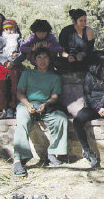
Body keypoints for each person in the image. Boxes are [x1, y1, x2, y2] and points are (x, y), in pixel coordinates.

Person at [13, 47, 68, 177]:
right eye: (39, 58)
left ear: (49, 60)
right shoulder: (27, 74)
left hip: (45, 106)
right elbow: (19, 92)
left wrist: (46, 104)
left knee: (61, 119)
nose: (42, 61)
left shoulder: (54, 77)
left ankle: (53, 152)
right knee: (22, 121)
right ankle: (18, 160)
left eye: (45, 58)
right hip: (26, 105)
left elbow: (55, 97)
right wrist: (27, 104)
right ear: (34, 60)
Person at [73, 51, 104, 168]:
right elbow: (87, 96)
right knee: (77, 121)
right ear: (100, 63)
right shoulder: (90, 76)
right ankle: (87, 152)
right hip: (93, 107)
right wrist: (98, 108)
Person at [0, 19, 25, 119]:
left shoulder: (20, 40)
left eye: (11, 29)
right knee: (1, 85)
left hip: (15, 65)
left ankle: (13, 108)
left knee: (15, 85)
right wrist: (6, 62)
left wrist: (14, 61)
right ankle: (1, 109)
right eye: (7, 29)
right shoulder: (1, 40)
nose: (9, 31)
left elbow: (23, 54)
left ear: (15, 28)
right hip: (2, 65)